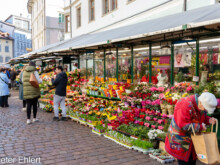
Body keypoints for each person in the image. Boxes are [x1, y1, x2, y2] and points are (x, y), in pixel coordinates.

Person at [165, 92, 218, 165]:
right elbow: (183, 125)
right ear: (200, 102)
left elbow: (202, 116)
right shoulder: (184, 105)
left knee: (192, 160)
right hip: (181, 141)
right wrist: (200, 127)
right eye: (205, 109)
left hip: (192, 140)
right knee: (186, 162)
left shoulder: (201, 103)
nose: (205, 110)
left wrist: (208, 120)